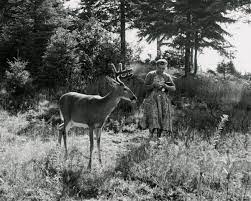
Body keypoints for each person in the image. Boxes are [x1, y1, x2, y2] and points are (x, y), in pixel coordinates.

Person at [141, 58, 176, 138]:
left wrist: (165, 86)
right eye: (159, 68)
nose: (161, 70)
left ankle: (160, 137)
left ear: (165, 68)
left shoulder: (167, 76)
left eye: (163, 68)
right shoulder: (150, 74)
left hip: (163, 100)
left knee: (163, 118)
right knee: (153, 116)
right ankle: (152, 135)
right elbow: (144, 87)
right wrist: (153, 85)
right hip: (151, 100)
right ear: (156, 66)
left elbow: (173, 88)